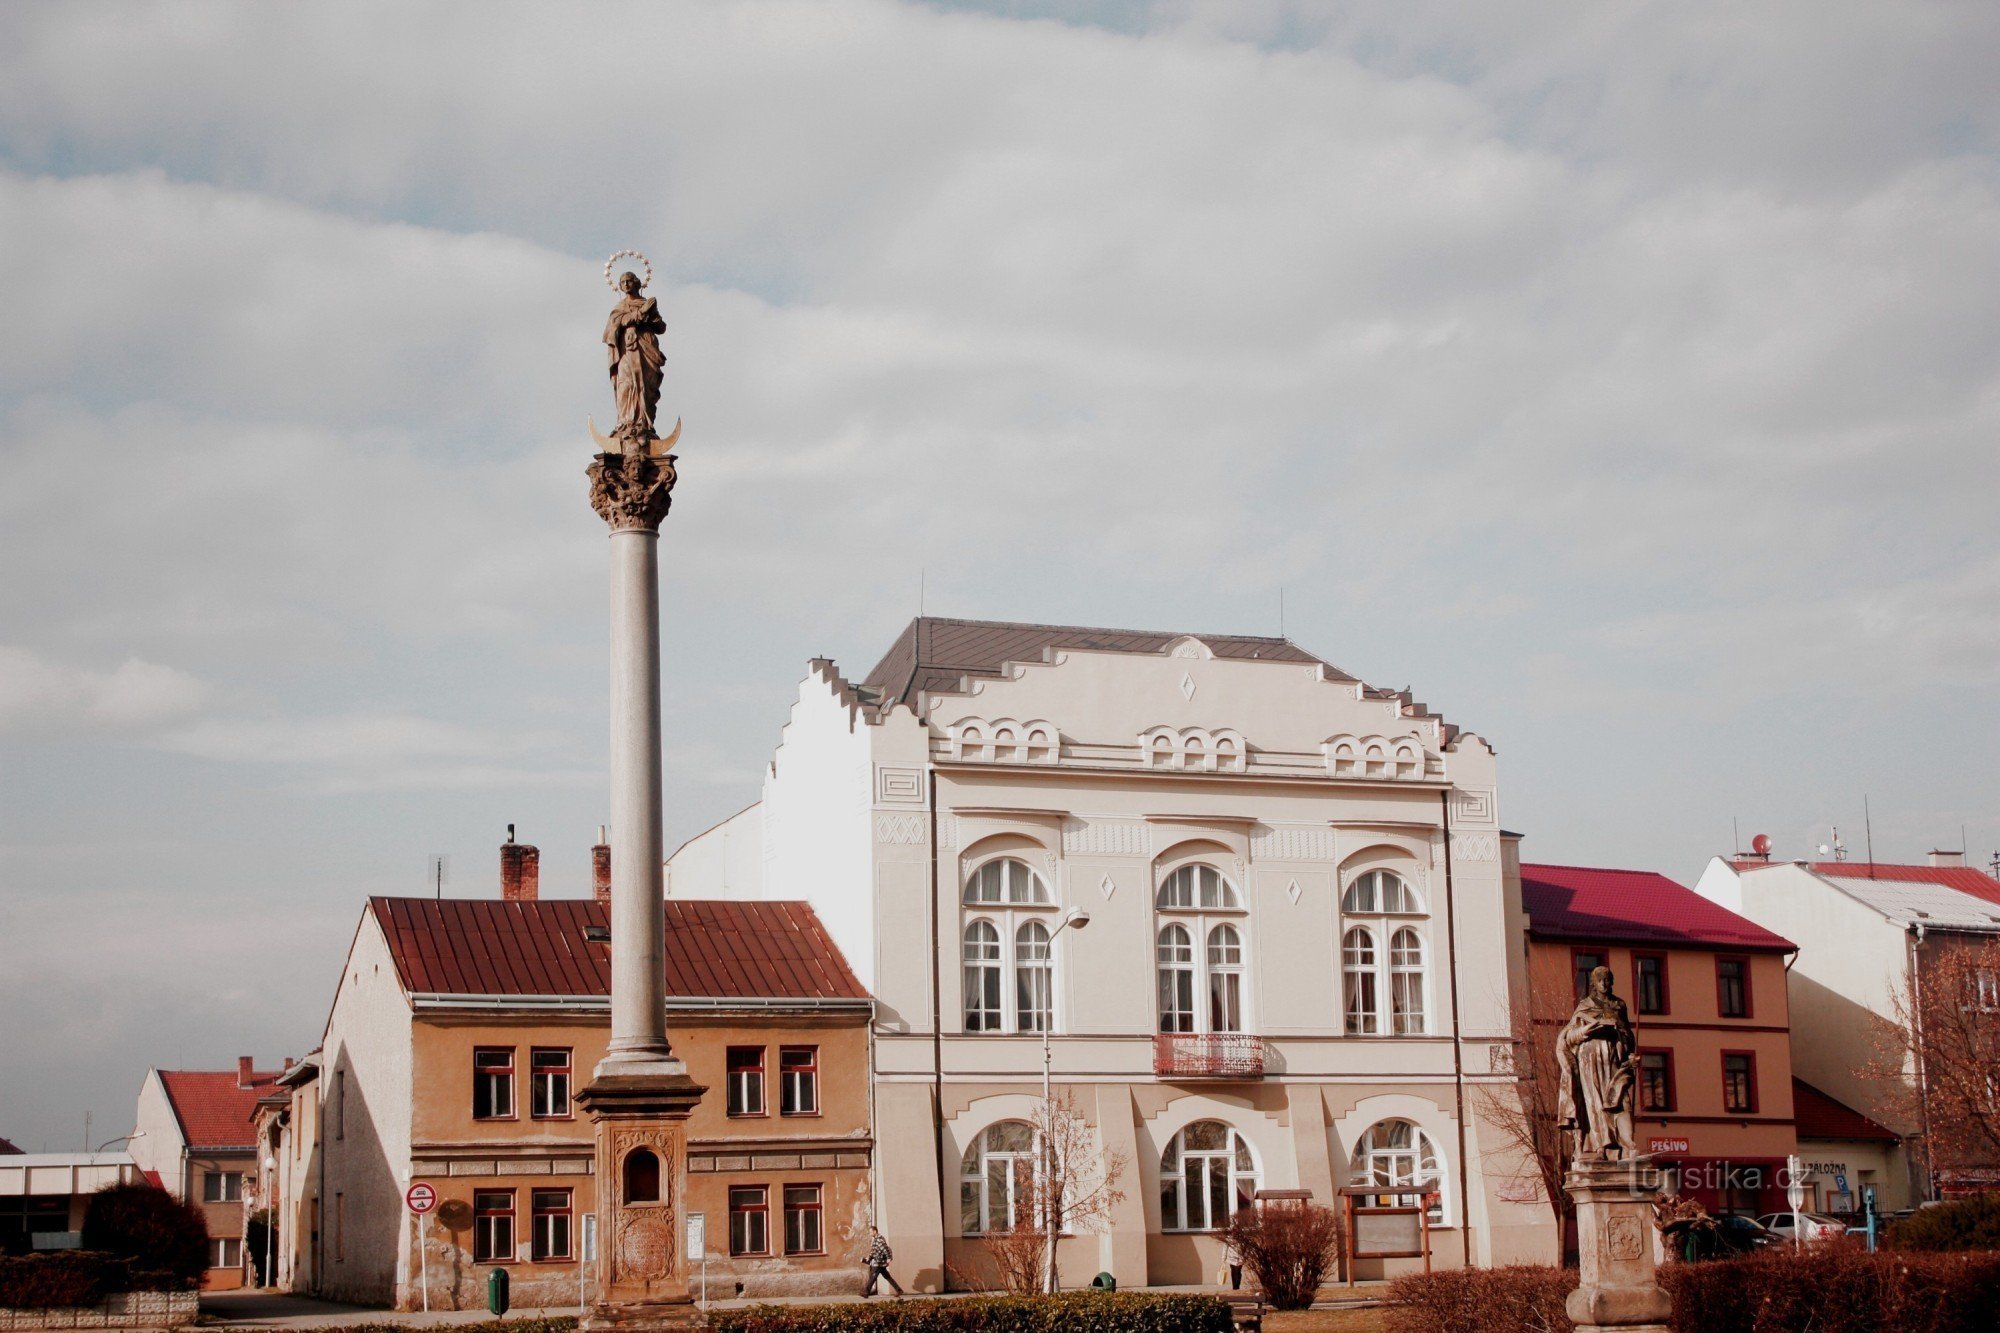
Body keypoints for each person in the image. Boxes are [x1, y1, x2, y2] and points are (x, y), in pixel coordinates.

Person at [1556, 965, 1640, 1161]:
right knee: (1594, 1102)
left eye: (1607, 979)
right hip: (1589, 1057)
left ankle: (1626, 1142)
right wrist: (1584, 1031)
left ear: (1612, 981)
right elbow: (1568, 1038)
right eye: (1600, 979)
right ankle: (1600, 1146)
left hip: (1613, 1057)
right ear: (1593, 983)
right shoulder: (1585, 1005)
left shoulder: (1619, 1005)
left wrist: (1629, 1055)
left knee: (1620, 1099)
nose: (1604, 983)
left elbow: (1627, 1033)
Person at [603, 269, 666, 443]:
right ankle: (626, 422)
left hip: (646, 347)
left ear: (637, 283)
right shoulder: (619, 307)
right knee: (626, 384)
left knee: (647, 386)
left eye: (629, 281)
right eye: (622, 282)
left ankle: (644, 422)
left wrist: (651, 315)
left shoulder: (646, 302)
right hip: (627, 350)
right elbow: (615, 324)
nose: (626, 285)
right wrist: (639, 314)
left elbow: (661, 328)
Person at [862, 1225, 903, 1298]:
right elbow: (874, 1250)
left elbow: (885, 1249)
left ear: (875, 1231)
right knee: (888, 1277)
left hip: (879, 1262)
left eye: (871, 1232)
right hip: (880, 1263)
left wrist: (889, 1258)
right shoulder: (875, 1239)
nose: (870, 1233)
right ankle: (899, 1290)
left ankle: (866, 1293)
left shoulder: (879, 1239)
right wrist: (869, 1257)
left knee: (872, 1277)